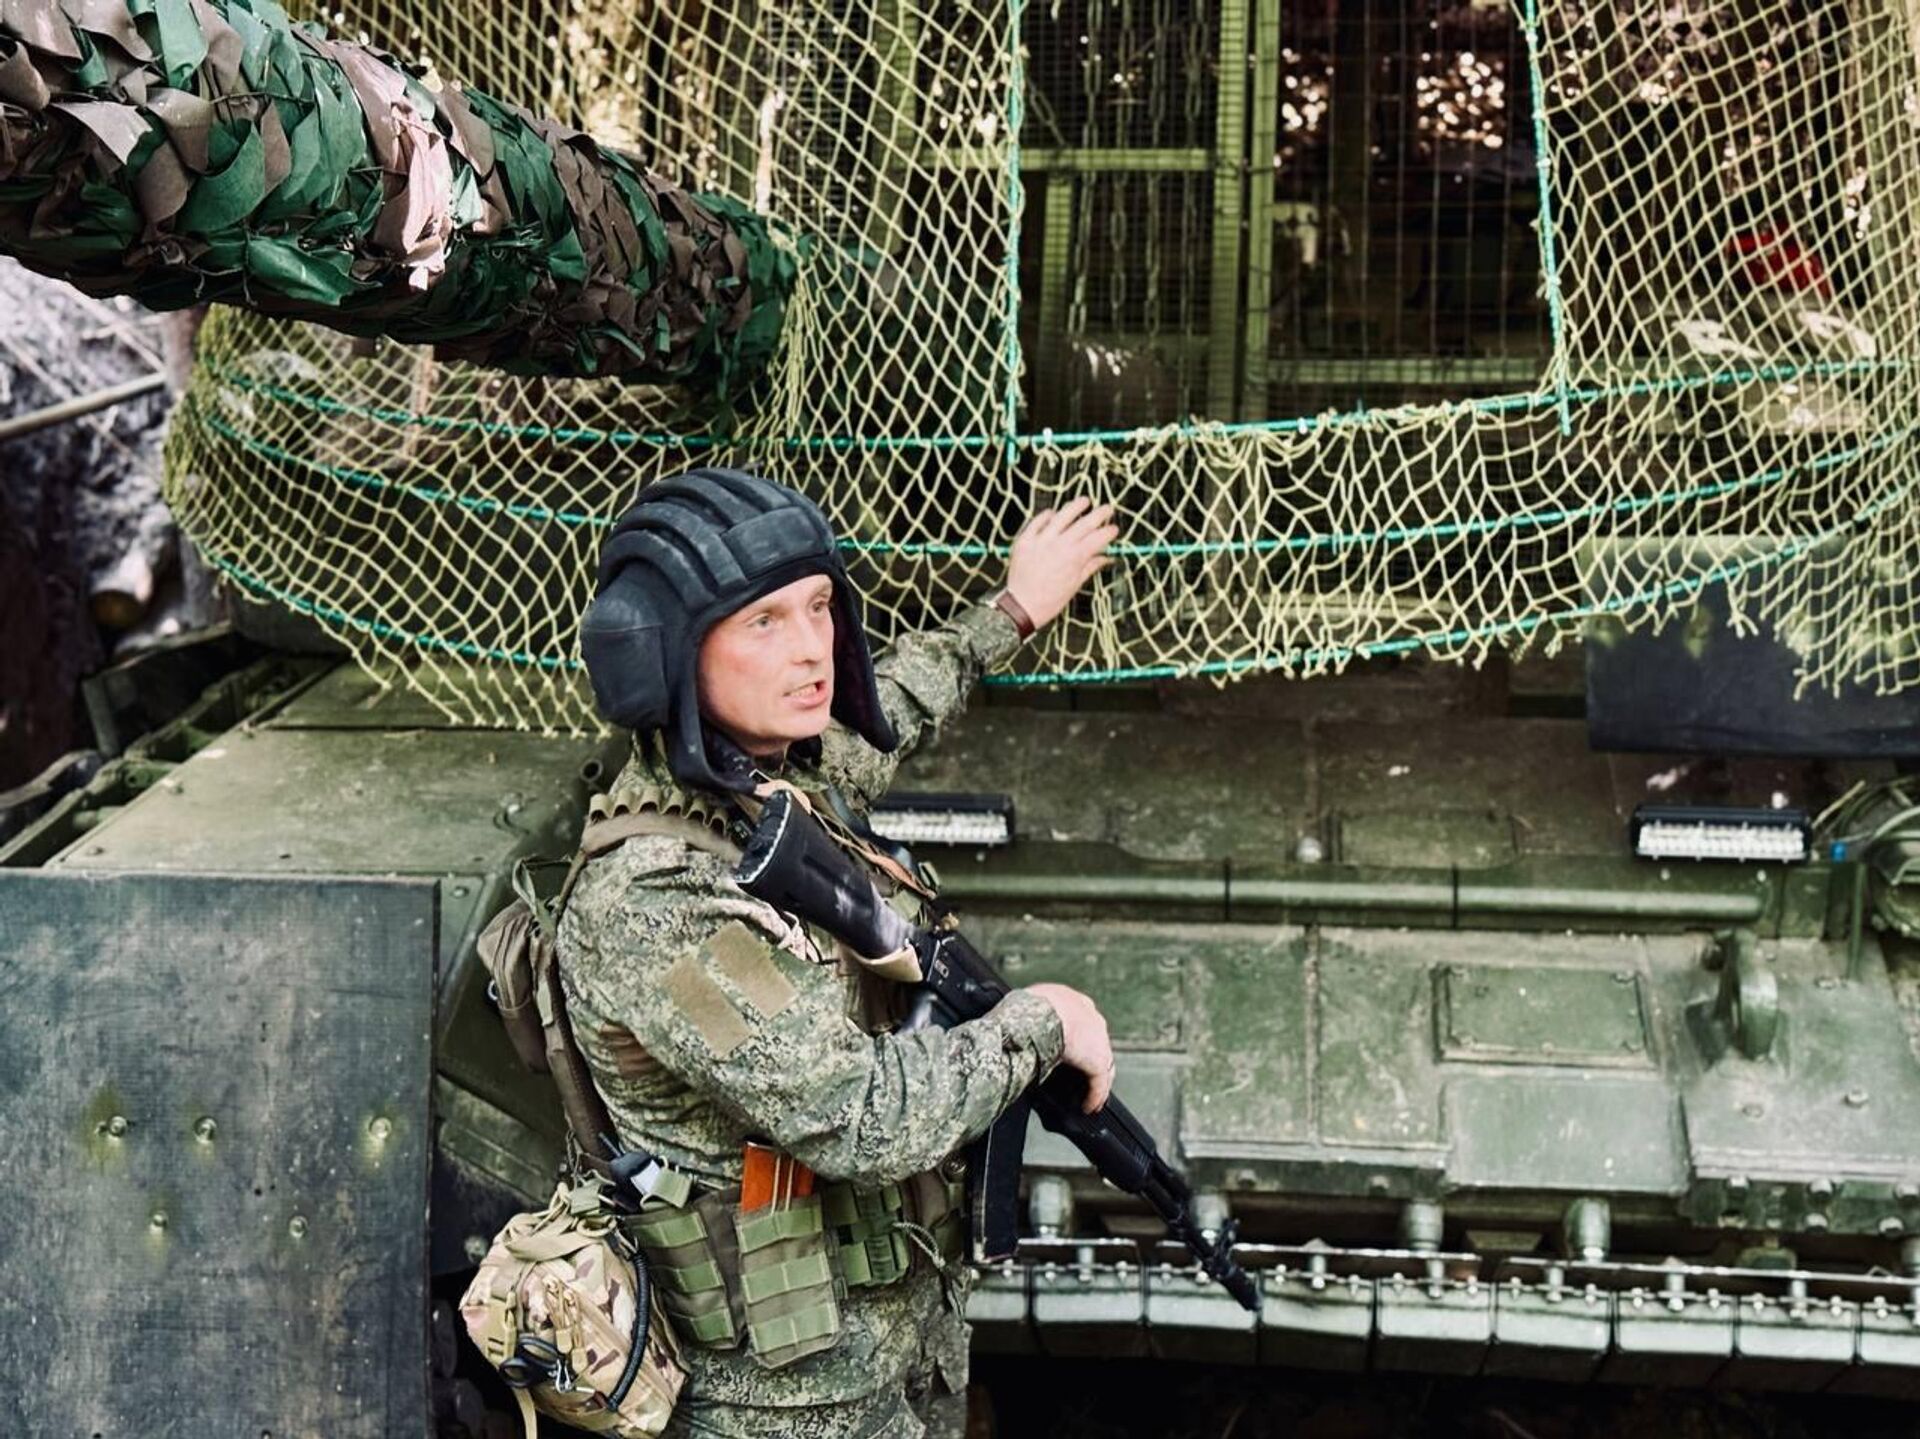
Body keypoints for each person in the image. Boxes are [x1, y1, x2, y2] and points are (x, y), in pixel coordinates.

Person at [558, 468, 1122, 1438]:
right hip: (781, 1398)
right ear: (667, 653)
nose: (813, 646)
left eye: (820, 605)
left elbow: (887, 709)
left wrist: (1013, 610)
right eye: (765, 621)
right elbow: (858, 1116)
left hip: (888, 1336)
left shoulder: (766, 782)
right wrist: (1042, 1023)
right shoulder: (656, 901)